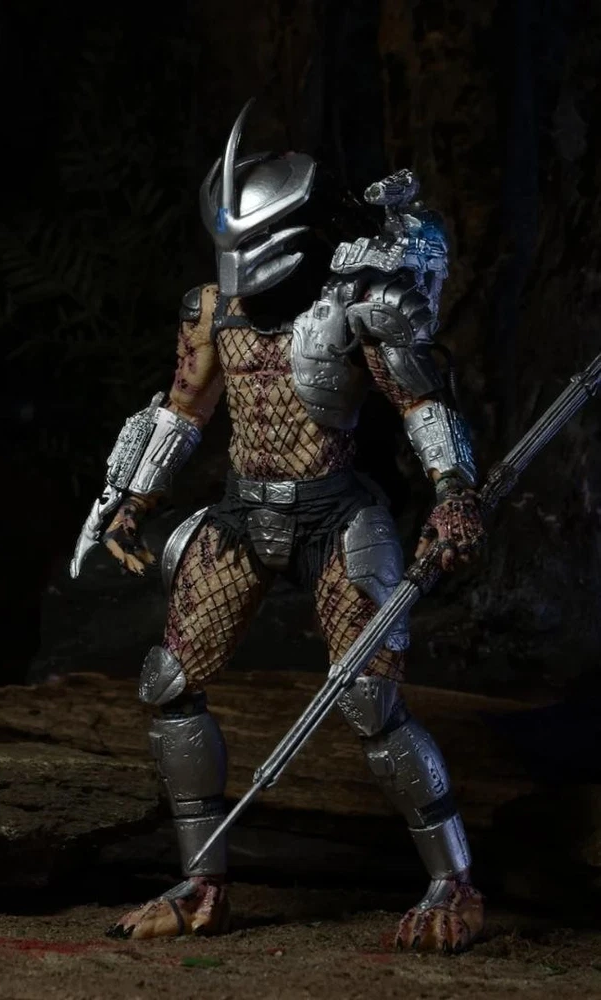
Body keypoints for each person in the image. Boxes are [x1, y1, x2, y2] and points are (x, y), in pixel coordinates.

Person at [71, 100, 485, 952]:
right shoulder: (210, 310)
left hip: (336, 515)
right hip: (241, 513)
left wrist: (453, 490)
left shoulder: (356, 303)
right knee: (169, 682)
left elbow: (421, 403)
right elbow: (184, 409)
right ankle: (201, 884)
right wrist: (133, 497)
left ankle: (453, 880)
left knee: (369, 697)